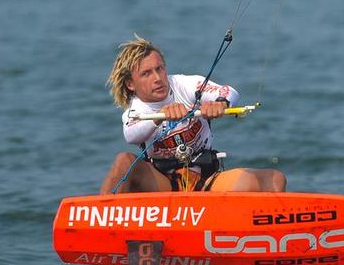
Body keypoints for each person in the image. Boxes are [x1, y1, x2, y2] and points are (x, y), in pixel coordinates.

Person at [99, 36, 286, 194]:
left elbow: (229, 92)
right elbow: (131, 135)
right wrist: (160, 117)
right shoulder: (136, 109)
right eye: (146, 73)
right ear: (131, 84)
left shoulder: (185, 84)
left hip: (206, 181)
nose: (157, 78)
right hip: (162, 185)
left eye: (160, 68)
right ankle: (99, 219)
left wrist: (219, 104)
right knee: (124, 161)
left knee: (275, 180)